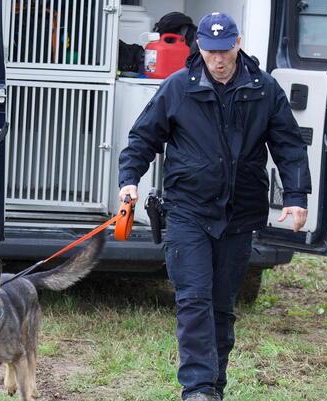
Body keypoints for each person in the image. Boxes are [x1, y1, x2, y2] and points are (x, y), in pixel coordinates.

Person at [117, 12, 311, 401]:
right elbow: (143, 138)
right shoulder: (178, 88)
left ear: (237, 44)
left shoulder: (264, 90)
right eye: (209, 50)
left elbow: (289, 146)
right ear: (199, 47)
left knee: (221, 308)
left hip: (239, 214)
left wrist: (295, 197)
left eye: (224, 50)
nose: (217, 59)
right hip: (188, 210)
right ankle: (198, 389)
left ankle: (213, 385)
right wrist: (129, 180)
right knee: (193, 301)